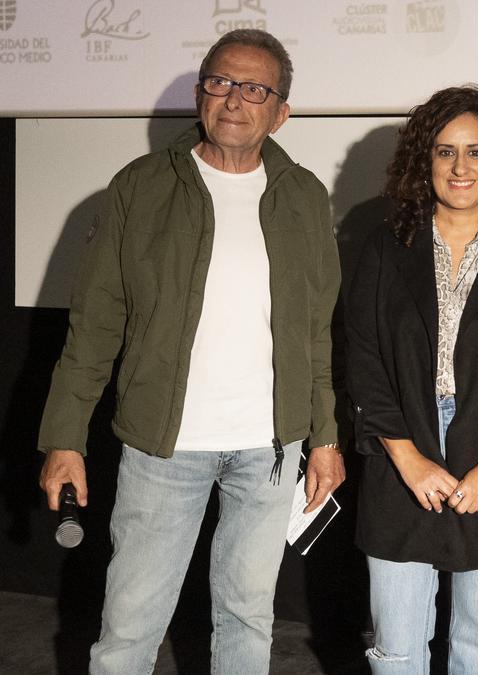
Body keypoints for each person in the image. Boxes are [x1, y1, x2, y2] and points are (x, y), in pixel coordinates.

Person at [35, 29, 344, 673]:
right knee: (129, 628)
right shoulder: (140, 187)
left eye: (255, 88)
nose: (235, 99)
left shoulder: (306, 197)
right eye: (220, 83)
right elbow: (93, 328)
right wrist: (64, 438)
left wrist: (325, 437)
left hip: (270, 451)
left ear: (280, 111)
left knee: (247, 622)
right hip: (161, 448)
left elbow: (316, 332)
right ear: (200, 95)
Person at [345, 85, 478, 674]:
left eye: (474, 152)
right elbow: (363, 360)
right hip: (401, 451)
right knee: (396, 649)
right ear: (426, 163)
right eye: (444, 152)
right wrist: (407, 456)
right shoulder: (386, 247)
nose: (459, 167)